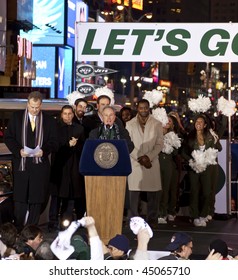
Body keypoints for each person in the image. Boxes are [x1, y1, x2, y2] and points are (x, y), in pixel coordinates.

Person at [4, 91, 58, 230]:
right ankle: (19, 230)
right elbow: (9, 138)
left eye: (37, 107)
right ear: (27, 103)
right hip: (21, 166)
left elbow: (54, 141)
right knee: (20, 201)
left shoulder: (48, 120)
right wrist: (18, 151)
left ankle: (32, 231)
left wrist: (44, 151)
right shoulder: (16, 117)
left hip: (40, 168)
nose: (34, 110)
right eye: (32, 107)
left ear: (41, 105)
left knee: (37, 201)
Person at [126, 99, 163, 228]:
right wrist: (140, 157)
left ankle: (152, 218)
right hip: (136, 162)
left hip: (151, 162)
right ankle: (134, 219)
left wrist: (149, 157)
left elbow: (159, 144)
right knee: (134, 194)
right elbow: (128, 144)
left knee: (153, 194)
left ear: (149, 108)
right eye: (141, 108)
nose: (143, 110)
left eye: (145, 108)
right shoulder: (129, 124)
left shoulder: (157, 124)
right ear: (137, 108)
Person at [181, 114, 222, 227]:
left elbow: (219, 148)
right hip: (194, 168)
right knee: (194, 191)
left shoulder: (210, 135)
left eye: (200, 122)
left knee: (207, 192)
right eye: (196, 122)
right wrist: (191, 161)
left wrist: (215, 139)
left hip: (207, 168)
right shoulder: (190, 137)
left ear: (205, 125)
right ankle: (194, 216)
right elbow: (183, 152)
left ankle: (203, 215)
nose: (198, 123)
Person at [49, 105, 86, 229]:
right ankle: (52, 222)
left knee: (69, 196)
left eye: (70, 113)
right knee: (56, 196)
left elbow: (83, 148)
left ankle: (64, 222)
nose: (68, 116)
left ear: (73, 114)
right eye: (65, 113)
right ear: (61, 115)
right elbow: (54, 147)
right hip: (59, 166)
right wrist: (67, 145)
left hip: (73, 167)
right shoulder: (55, 128)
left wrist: (75, 146)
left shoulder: (79, 128)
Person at [158, 114, 181, 224]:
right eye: (165, 119)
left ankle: (168, 212)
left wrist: (171, 144)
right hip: (157, 163)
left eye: (170, 121)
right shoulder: (156, 133)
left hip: (169, 165)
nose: (167, 122)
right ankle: (161, 212)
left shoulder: (174, 136)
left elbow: (176, 152)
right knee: (160, 190)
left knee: (168, 189)